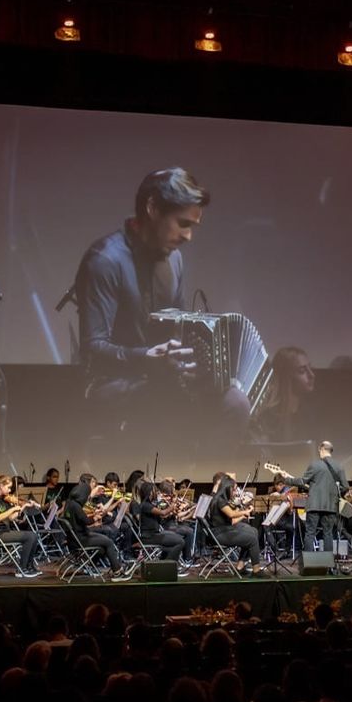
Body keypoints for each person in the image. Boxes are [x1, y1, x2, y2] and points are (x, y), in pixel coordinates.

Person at [72, 167, 248, 442]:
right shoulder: (104, 260)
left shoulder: (174, 259)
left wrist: (200, 363)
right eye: (183, 224)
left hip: (160, 380)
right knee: (169, 406)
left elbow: (177, 329)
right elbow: (93, 348)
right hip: (112, 383)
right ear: (153, 208)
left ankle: (206, 482)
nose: (188, 236)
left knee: (235, 402)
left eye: (193, 227)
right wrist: (146, 358)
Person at [273, 441, 350, 552]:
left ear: (322, 449)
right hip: (330, 506)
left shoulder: (315, 465)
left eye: (319, 450)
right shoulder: (339, 466)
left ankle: (310, 565)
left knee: (310, 533)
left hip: (314, 505)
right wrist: (334, 494)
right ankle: (328, 565)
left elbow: (302, 481)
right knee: (328, 534)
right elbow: (345, 487)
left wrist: (286, 479)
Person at [65, 475, 134, 581]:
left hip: (74, 538)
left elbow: (81, 519)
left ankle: (114, 566)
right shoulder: (77, 507)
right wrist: (96, 517)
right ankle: (117, 572)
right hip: (81, 539)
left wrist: (94, 514)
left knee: (103, 545)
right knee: (109, 542)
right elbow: (87, 521)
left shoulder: (69, 504)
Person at [250, 346, 316, 442]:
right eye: (302, 371)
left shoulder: (310, 413)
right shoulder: (268, 418)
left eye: (310, 368)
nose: (312, 375)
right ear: (286, 377)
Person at [0, 474, 42, 578]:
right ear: (0, 486)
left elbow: (10, 518)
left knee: (34, 535)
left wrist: (23, 506)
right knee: (30, 537)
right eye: (8, 487)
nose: (10, 490)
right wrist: (12, 509)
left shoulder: (3, 500)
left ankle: (29, 566)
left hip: (6, 531)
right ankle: (22, 569)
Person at [208, 472, 261, 577]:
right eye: (233, 489)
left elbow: (231, 519)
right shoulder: (219, 500)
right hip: (219, 534)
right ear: (227, 488)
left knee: (253, 532)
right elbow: (231, 514)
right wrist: (244, 512)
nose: (235, 491)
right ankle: (257, 570)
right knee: (252, 539)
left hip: (223, 530)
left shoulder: (221, 498)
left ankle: (240, 566)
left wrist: (242, 510)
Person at [133, 480, 187, 566]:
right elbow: (163, 513)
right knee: (180, 542)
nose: (157, 493)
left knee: (176, 539)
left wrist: (172, 510)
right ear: (149, 493)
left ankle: (163, 563)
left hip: (154, 534)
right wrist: (173, 504)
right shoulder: (146, 506)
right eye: (154, 491)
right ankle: (168, 566)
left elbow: (162, 516)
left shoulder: (149, 504)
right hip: (149, 537)